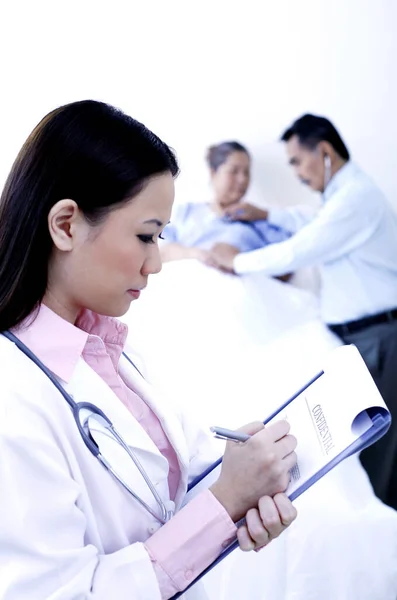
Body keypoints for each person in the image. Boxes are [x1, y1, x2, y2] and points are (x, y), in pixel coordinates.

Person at [0, 100, 298, 599]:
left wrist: (240, 484)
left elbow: (167, 493)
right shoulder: (13, 399)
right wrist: (224, 504)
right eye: (145, 236)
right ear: (66, 225)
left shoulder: (109, 346)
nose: (156, 263)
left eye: (161, 237)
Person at [211, 113, 397, 509]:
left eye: (297, 161)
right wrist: (266, 216)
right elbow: (312, 221)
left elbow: (303, 247)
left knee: (377, 456)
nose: (295, 172)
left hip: (379, 338)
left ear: (325, 152)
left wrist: (237, 261)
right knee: (363, 453)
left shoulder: (356, 199)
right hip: (358, 337)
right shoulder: (341, 199)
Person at [161, 141, 290, 266]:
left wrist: (238, 262)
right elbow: (161, 250)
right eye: (234, 171)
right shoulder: (185, 212)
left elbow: (285, 266)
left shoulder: (259, 220)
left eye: (246, 172)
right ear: (213, 173)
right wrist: (197, 255)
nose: (242, 179)